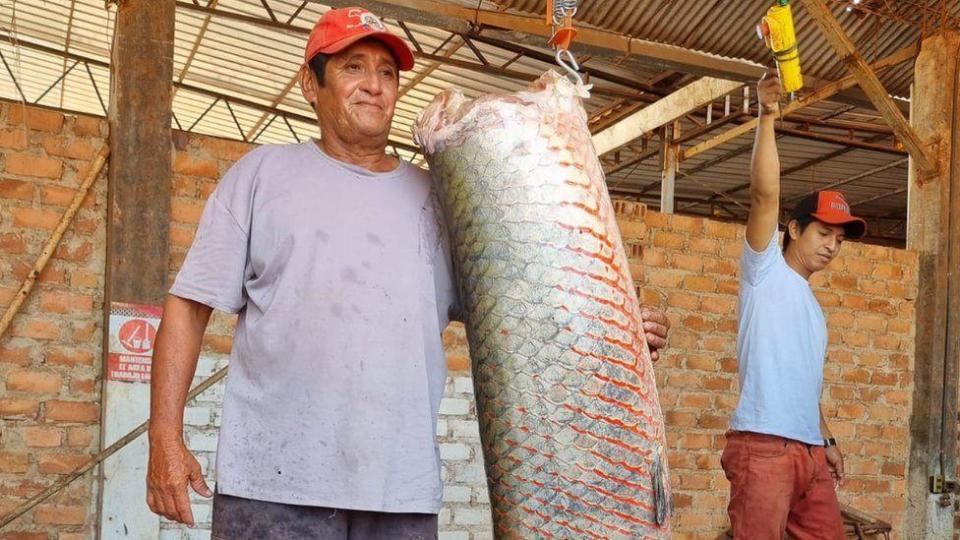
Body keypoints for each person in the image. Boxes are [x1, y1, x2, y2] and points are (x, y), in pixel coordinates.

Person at [145, 7, 672, 539]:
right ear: (311, 82)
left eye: (387, 72)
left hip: (399, 491)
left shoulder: (438, 199)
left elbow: (521, 316)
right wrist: (164, 436)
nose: (374, 86)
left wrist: (614, 330)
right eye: (354, 67)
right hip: (273, 485)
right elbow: (188, 307)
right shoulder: (260, 176)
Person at [720, 68, 868, 540]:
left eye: (839, 239)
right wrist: (767, 116)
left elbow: (807, 387)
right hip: (763, 446)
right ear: (793, 228)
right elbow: (764, 195)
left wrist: (826, 440)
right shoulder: (764, 270)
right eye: (823, 233)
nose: (831, 245)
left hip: (808, 453)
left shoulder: (813, 308)